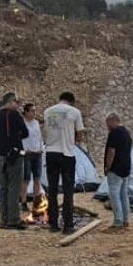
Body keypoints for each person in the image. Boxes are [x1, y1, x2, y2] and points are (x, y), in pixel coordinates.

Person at [43, 91, 85, 234]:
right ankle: (68, 225)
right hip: (67, 153)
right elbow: (80, 135)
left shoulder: (47, 111)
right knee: (68, 191)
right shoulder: (75, 112)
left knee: (52, 191)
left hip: (50, 152)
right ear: (71, 101)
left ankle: (53, 224)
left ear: (59, 99)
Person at [0, 92, 28, 230]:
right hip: (15, 155)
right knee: (14, 187)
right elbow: (25, 132)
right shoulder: (14, 114)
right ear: (11, 101)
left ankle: (4, 218)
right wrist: (16, 136)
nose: (17, 104)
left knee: (3, 187)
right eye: (16, 102)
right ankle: (13, 220)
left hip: (1, 155)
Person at [103, 113, 133, 232]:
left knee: (114, 194)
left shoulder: (114, 132)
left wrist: (107, 167)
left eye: (107, 124)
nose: (107, 127)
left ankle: (118, 222)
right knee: (124, 195)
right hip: (126, 167)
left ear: (113, 121)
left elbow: (111, 152)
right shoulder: (126, 132)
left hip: (116, 169)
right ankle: (125, 220)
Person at [20, 103, 44, 210]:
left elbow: (39, 136)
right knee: (26, 179)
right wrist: (23, 151)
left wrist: (41, 148)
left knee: (37, 179)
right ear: (26, 112)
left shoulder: (36, 123)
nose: (34, 113)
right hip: (27, 153)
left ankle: (36, 201)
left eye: (35, 111)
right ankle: (23, 202)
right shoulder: (21, 123)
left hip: (37, 153)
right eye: (32, 111)